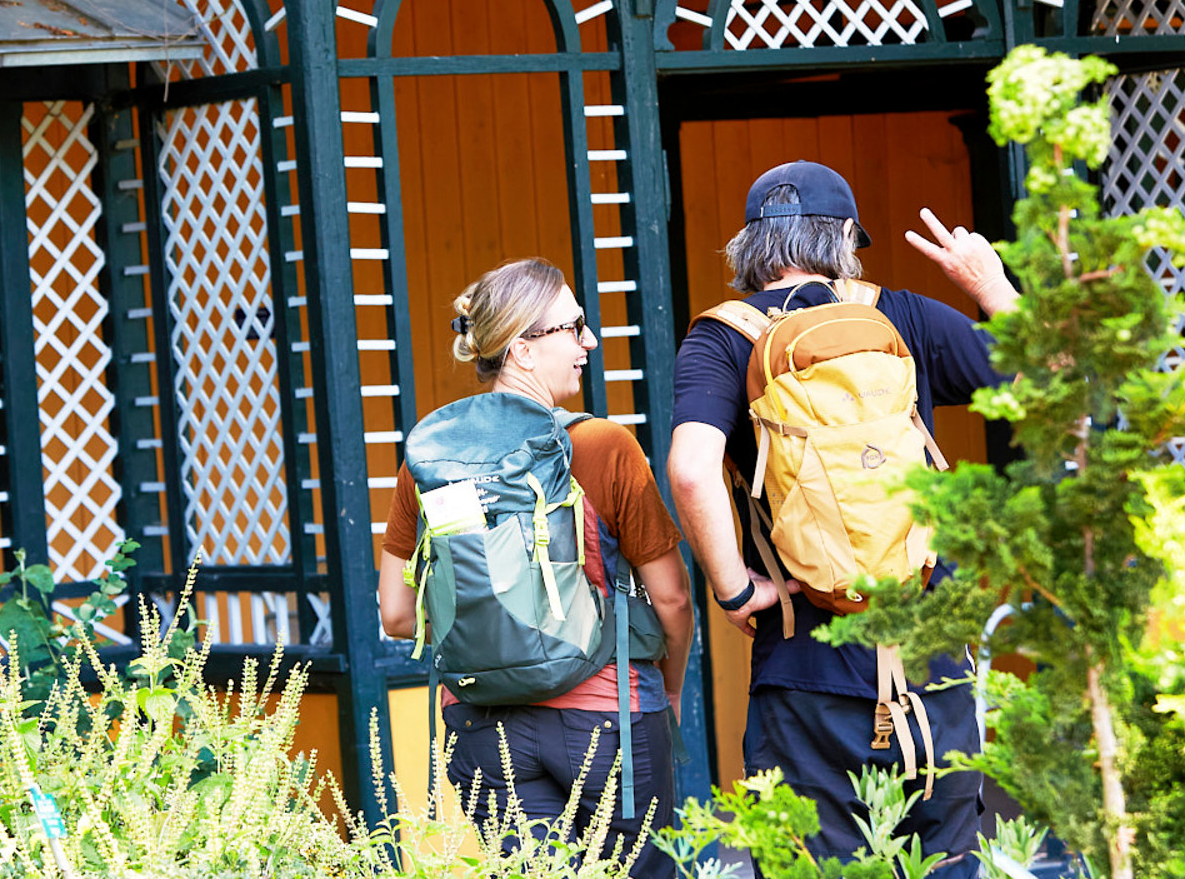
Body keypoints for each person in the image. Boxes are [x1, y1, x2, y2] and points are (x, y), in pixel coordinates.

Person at [667, 161, 1018, 877]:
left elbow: (690, 467)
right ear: (846, 240)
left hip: (806, 666)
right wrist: (991, 286)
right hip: (932, 662)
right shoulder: (901, 315)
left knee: (809, 864)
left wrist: (735, 590)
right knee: (943, 858)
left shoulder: (722, 339)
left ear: (748, 246)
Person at [379, 257, 694, 879]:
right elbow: (673, 602)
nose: (589, 341)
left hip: (480, 723)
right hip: (610, 719)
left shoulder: (429, 460)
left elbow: (395, 615)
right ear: (523, 348)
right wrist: (674, 688)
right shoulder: (605, 445)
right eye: (574, 327)